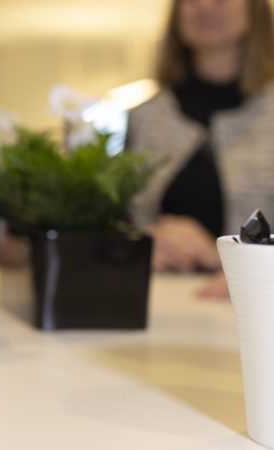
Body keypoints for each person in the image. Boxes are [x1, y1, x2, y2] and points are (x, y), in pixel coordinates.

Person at [126, 0, 274, 297]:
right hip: (159, 305)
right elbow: (122, 219)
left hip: (253, 314)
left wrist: (223, 257)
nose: (206, 6)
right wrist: (143, 242)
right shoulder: (145, 117)